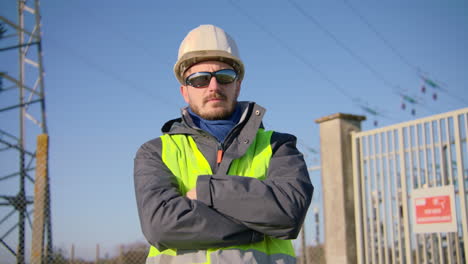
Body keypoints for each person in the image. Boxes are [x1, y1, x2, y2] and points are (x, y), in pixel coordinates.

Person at [134, 24, 314, 264]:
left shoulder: (278, 146)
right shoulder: (155, 152)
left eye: (225, 77)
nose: (214, 87)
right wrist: (259, 226)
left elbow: (289, 213)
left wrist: (206, 190)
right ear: (184, 92)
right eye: (199, 80)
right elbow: (161, 226)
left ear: (237, 85)